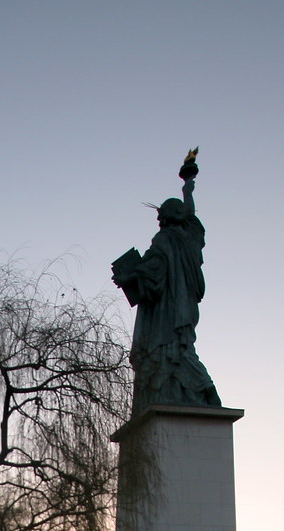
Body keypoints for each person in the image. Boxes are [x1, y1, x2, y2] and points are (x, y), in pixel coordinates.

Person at [112, 151, 221, 415]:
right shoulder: (190, 240)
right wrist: (188, 190)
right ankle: (202, 390)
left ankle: (202, 388)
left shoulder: (164, 240)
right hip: (184, 308)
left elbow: (153, 273)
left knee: (169, 350)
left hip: (166, 311)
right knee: (182, 349)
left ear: (166, 217)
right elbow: (192, 218)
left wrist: (128, 277)